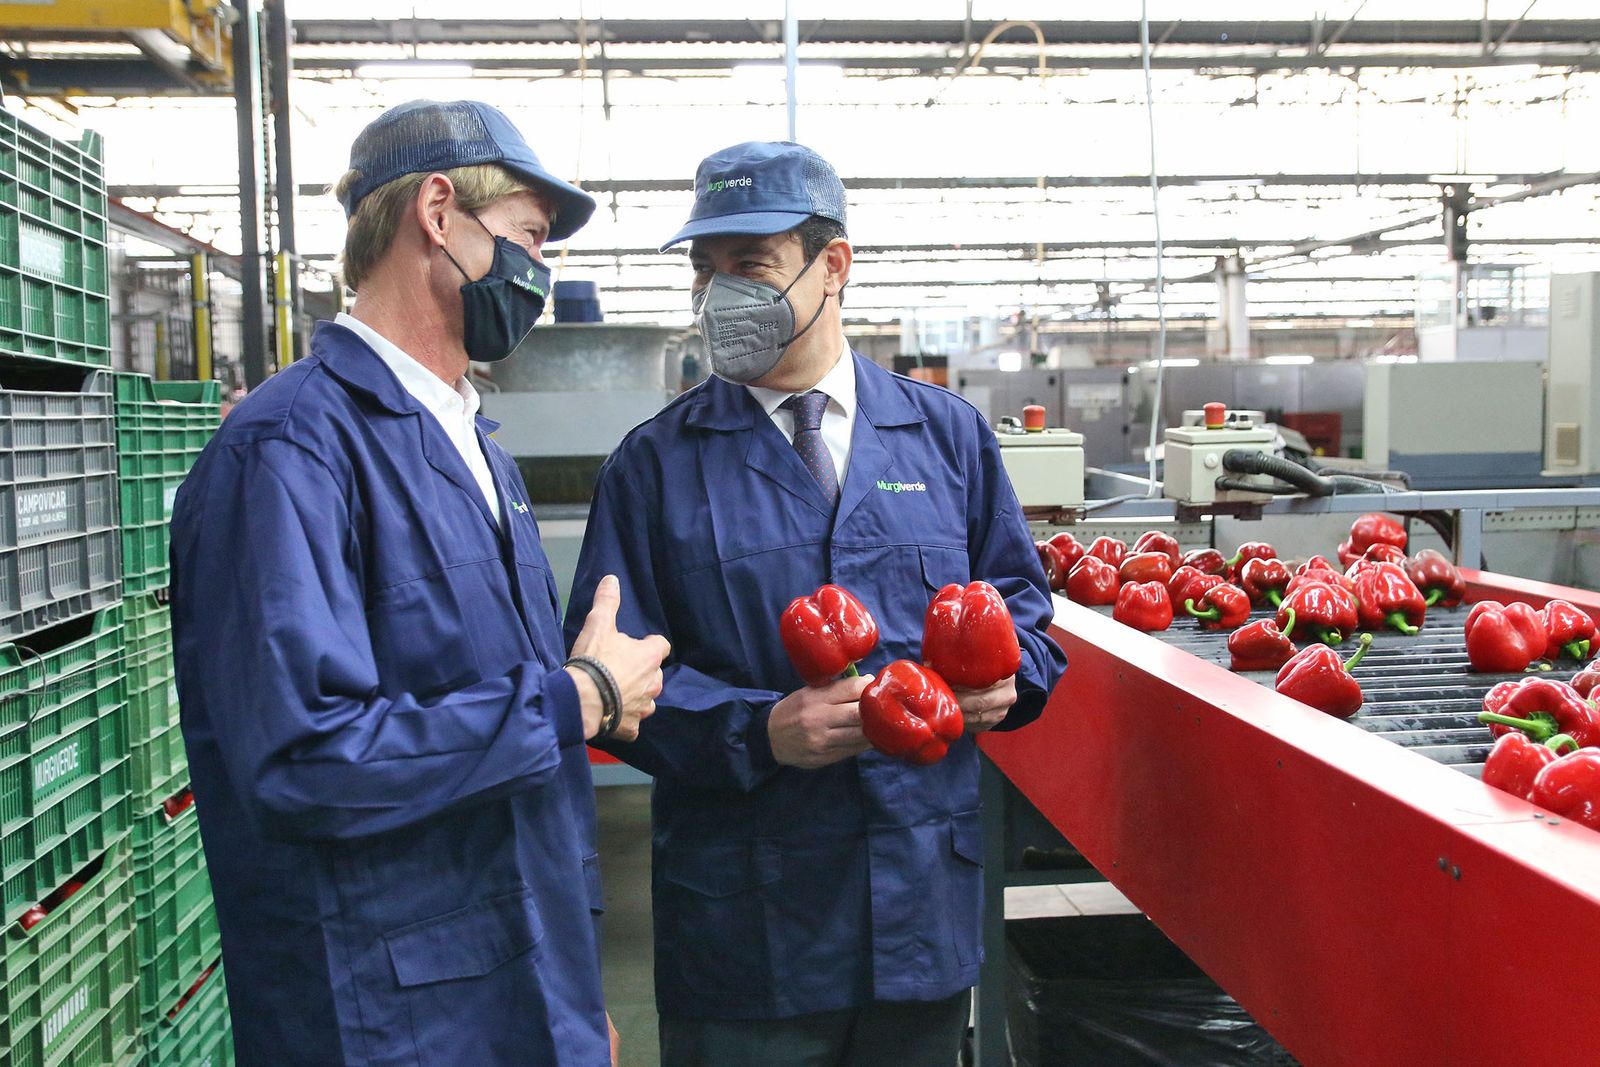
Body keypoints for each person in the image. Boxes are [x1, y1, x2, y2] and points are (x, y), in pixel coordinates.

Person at [169, 99, 670, 1067]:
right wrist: (577, 696)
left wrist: (576, 995)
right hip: (385, 1018)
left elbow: (525, 768)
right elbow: (306, 757)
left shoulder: (476, 443)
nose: (537, 271)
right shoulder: (286, 454)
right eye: (527, 236)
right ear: (437, 214)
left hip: (525, 991)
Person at [565, 141, 1067, 1067]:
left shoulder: (944, 437)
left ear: (832, 266)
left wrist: (1011, 680)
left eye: (750, 266)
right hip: (748, 933)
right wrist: (760, 730)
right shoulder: (654, 466)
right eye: (703, 271)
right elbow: (608, 687)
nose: (721, 295)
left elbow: (1027, 611)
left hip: (917, 907)